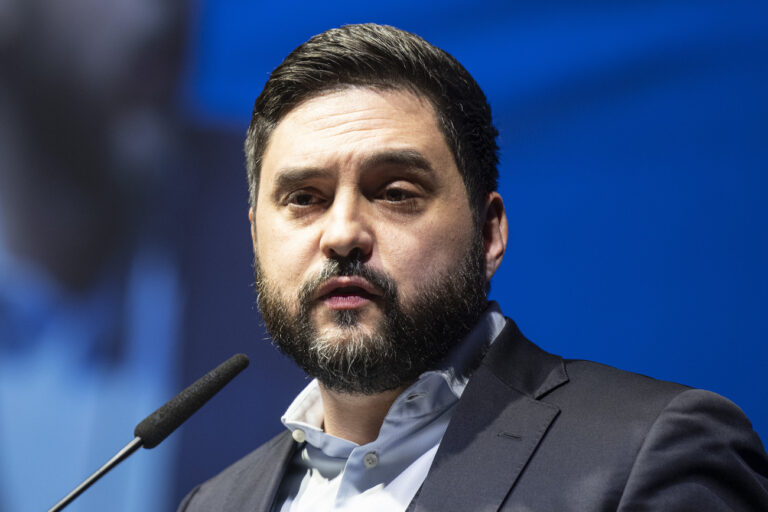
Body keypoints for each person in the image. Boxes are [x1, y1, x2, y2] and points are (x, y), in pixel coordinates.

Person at [178, 23, 768, 511]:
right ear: (255, 236)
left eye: (396, 192)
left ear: (488, 234)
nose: (343, 234)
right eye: (305, 198)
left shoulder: (652, 450)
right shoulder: (214, 502)